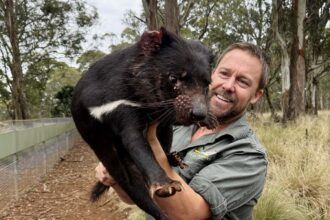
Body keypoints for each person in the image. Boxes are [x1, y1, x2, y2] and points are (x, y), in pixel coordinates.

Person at [95, 42, 269, 220]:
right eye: (224, 73)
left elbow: (188, 214)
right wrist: (116, 177)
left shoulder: (249, 155)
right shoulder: (176, 124)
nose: (228, 85)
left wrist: (149, 137)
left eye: (243, 81)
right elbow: (142, 195)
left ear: (256, 95)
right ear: (211, 74)